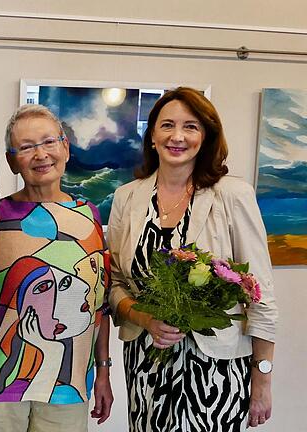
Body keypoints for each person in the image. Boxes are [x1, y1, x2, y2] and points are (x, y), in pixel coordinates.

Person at [107, 87, 277, 431]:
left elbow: (259, 291)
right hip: (146, 362)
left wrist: (262, 379)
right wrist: (143, 316)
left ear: (207, 136)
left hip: (215, 369)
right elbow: (115, 283)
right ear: (152, 135)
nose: (178, 136)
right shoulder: (128, 197)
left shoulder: (232, 194)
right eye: (167, 125)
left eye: (191, 126)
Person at [0, 104, 113, 432]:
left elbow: (99, 306)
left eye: (49, 142)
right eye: (26, 147)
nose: (41, 154)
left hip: (70, 383)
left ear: (65, 146)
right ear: (11, 160)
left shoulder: (89, 215)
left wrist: (103, 371)